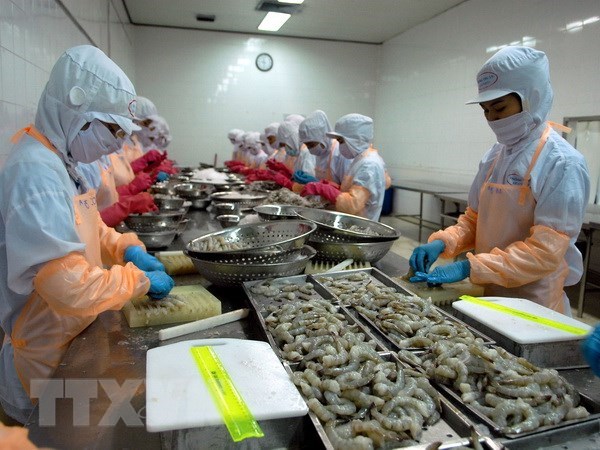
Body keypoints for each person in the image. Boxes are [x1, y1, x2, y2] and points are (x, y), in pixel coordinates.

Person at [0, 45, 174, 423]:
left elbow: (90, 225)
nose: (117, 144)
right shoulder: (36, 174)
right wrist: (137, 280)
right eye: (112, 130)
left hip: (72, 340)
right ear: (77, 112)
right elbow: (68, 288)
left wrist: (125, 248)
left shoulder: (61, 163)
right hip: (44, 364)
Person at [408, 46, 590, 316]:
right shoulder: (495, 156)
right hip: (487, 293)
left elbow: (544, 253)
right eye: (485, 110)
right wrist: (444, 242)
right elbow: (474, 220)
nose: (492, 119)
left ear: (531, 98)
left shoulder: (562, 163)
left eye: (500, 107)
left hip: (533, 304)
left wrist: (470, 267)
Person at [301, 113, 391, 221]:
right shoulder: (359, 160)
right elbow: (350, 191)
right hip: (351, 223)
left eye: (341, 141)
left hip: (361, 226)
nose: (339, 146)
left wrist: (325, 190)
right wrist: (331, 186)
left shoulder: (369, 165)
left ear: (355, 139)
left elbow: (352, 205)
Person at [298, 110, 350, 185]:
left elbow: (346, 186)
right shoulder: (320, 153)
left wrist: (326, 188)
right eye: (307, 145)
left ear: (322, 138)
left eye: (311, 145)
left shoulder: (339, 152)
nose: (310, 150)